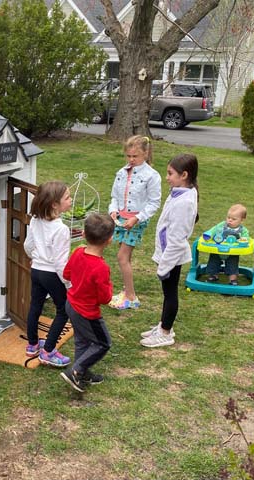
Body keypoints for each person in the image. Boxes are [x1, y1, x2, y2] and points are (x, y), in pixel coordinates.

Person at [140, 153, 199, 349]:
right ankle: (164, 325)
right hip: (168, 255)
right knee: (167, 293)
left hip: (171, 257)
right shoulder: (179, 192)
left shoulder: (184, 202)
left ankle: (165, 333)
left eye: (170, 173)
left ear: (184, 175)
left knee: (170, 293)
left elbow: (177, 239)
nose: (167, 177)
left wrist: (164, 266)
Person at [59, 213, 116, 392]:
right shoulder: (101, 267)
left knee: (82, 341)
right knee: (102, 343)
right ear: (109, 240)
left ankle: (81, 373)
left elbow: (66, 274)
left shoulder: (77, 252)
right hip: (87, 313)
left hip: (72, 305)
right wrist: (110, 285)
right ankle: (76, 371)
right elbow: (105, 298)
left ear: (83, 234)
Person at [107, 135, 161, 310]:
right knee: (126, 258)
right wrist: (113, 211)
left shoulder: (152, 176)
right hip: (121, 220)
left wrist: (137, 218)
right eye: (128, 156)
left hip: (136, 221)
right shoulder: (121, 173)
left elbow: (154, 203)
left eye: (135, 156)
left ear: (145, 153)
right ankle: (126, 290)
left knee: (122, 257)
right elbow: (114, 196)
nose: (131, 160)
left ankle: (131, 297)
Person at [24, 181, 73, 367]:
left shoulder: (35, 221)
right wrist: (68, 284)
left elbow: (28, 246)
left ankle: (32, 344)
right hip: (52, 274)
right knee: (63, 310)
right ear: (54, 204)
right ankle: (48, 351)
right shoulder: (61, 229)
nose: (70, 200)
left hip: (36, 271)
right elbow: (60, 263)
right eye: (67, 198)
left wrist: (34, 258)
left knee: (35, 305)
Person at [204, 204, 249, 286]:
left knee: (232, 263)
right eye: (228, 217)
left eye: (233, 219)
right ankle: (213, 275)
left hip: (233, 251)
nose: (230, 220)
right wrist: (208, 234)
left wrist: (243, 241)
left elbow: (246, 239)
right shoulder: (222, 225)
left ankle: (232, 279)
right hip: (218, 248)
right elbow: (214, 229)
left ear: (242, 220)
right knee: (213, 261)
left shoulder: (243, 230)